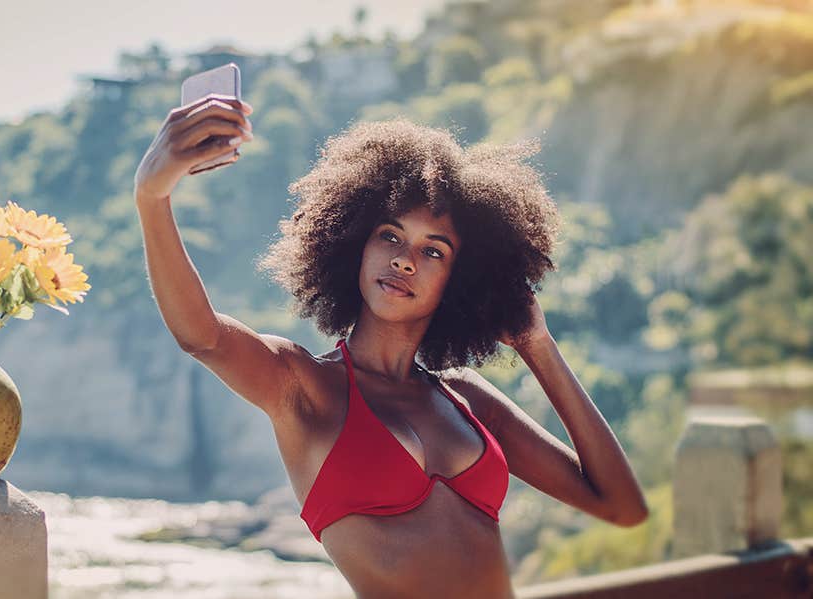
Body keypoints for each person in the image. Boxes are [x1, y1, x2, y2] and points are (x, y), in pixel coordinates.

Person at [133, 93, 649, 598]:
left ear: (461, 279)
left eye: (434, 251)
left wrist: (537, 345)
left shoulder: (468, 400)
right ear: (354, 243)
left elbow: (621, 507)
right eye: (390, 236)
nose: (405, 261)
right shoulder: (305, 385)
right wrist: (153, 197)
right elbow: (202, 335)